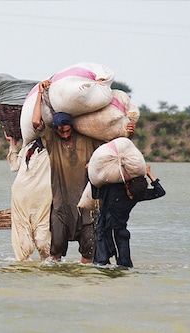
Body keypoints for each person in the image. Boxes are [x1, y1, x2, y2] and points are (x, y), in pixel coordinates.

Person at [32, 80, 136, 263]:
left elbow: (115, 143)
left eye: (67, 130)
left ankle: (83, 286)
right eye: (60, 131)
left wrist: (128, 131)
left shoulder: (89, 138)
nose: (64, 134)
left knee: (89, 254)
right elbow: (35, 122)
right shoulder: (52, 141)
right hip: (61, 206)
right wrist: (40, 94)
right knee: (55, 253)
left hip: (88, 205)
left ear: (72, 126)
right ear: (55, 130)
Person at [91, 165, 166, 268]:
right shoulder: (114, 188)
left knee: (125, 265)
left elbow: (160, 192)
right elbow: (95, 194)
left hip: (120, 231)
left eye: (133, 196)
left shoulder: (138, 193)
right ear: (126, 185)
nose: (131, 197)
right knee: (101, 263)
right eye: (130, 194)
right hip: (103, 231)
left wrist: (149, 174)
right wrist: (89, 173)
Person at [5, 132, 52, 261]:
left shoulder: (56, 148)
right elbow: (14, 166)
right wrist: (13, 144)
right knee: (23, 243)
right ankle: (24, 272)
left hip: (44, 200)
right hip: (21, 198)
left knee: (43, 242)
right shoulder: (29, 147)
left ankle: (47, 270)